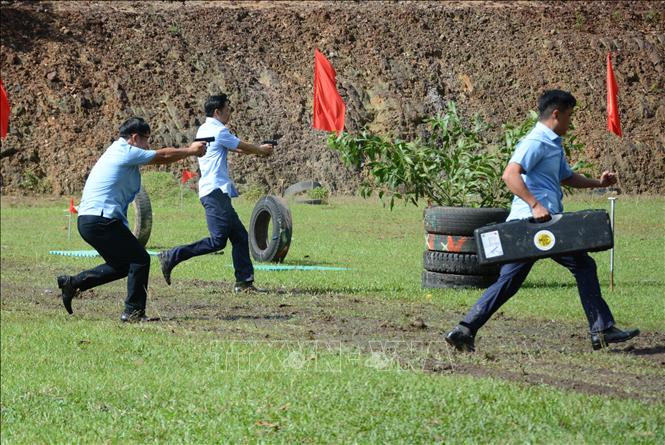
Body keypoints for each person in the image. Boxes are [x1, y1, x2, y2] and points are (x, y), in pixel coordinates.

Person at [445, 90, 640, 352]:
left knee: (512, 279)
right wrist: (535, 205)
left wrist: (599, 183)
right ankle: (601, 329)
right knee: (581, 266)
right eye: (569, 116)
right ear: (556, 114)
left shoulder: (552, 143)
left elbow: (566, 177)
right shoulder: (536, 141)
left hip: (543, 222)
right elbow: (510, 175)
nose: (571, 122)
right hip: (534, 222)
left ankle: (464, 329)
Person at [56, 117, 207, 322]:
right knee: (140, 259)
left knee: (122, 265)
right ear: (134, 138)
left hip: (91, 221)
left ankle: (73, 284)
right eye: (146, 140)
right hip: (100, 220)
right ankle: (133, 312)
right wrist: (191, 150)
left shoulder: (118, 151)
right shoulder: (124, 151)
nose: (148, 146)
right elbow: (162, 156)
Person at [157, 93, 274, 293]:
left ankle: (244, 282)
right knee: (217, 241)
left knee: (239, 236)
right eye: (228, 109)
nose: (230, 112)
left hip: (215, 191)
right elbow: (242, 146)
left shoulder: (205, 129)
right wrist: (261, 150)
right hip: (214, 192)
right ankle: (173, 255)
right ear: (217, 111)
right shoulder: (219, 131)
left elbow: (236, 148)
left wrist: (257, 150)